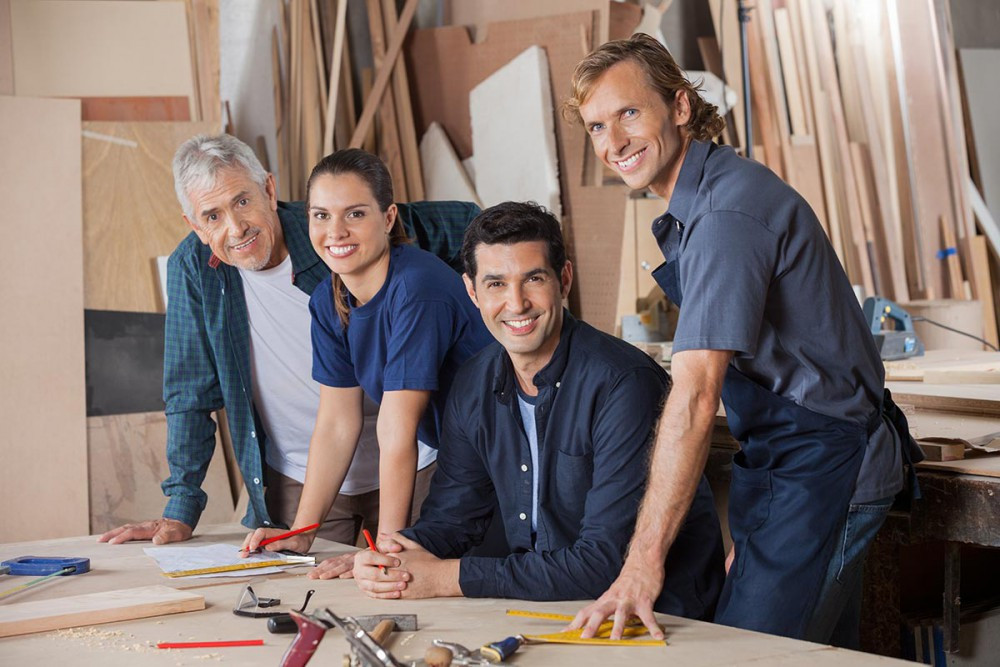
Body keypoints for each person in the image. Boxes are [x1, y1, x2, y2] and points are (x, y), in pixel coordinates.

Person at [564, 34, 922, 646]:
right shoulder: (701, 201)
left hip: (828, 465)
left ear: (679, 107)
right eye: (597, 127)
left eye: (628, 113)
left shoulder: (725, 215)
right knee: (814, 651)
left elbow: (699, 393)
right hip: (787, 461)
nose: (614, 142)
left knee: (750, 654)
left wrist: (642, 561)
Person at [99, 135, 480, 557]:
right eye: (212, 215)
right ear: (194, 225)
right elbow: (190, 392)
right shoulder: (305, 292)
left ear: (269, 189)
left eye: (242, 202)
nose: (236, 227)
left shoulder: (335, 236)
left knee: (414, 582)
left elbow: (465, 223)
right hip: (310, 472)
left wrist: (503, 294)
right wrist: (183, 504)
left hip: (420, 458)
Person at [350, 201, 724, 618]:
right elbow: (453, 520)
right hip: (549, 606)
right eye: (495, 284)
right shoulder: (474, 383)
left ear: (564, 280)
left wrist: (443, 578)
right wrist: (393, 557)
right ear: (472, 292)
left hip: (656, 615)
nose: (517, 303)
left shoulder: (624, 384)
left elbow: (603, 563)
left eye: (533, 278)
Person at [242, 150, 494, 576]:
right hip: (464, 456)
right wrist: (301, 531)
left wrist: (388, 549)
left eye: (354, 213)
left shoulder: (417, 287)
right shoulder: (329, 298)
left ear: (389, 217)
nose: (335, 231)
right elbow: (338, 422)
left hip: (505, 456)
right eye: (321, 215)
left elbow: (397, 428)